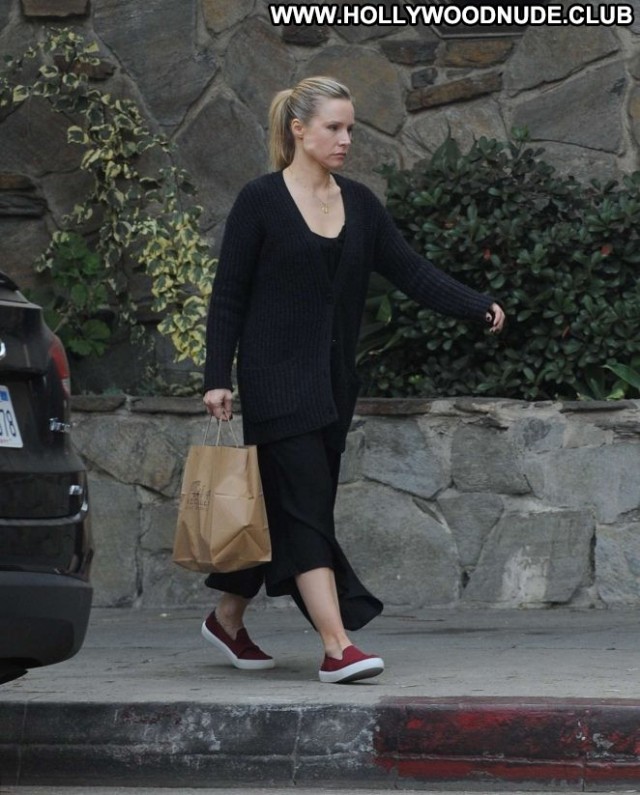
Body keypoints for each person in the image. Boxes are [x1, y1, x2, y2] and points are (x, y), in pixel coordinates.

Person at [201, 76, 505, 685]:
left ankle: (226, 619)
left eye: (350, 129)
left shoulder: (360, 204)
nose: (345, 139)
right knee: (307, 504)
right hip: (274, 380)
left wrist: (476, 305)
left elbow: (409, 270)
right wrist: (217, 377)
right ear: (299, 130)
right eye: (334, 127)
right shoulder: (260, 200)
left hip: (333, 383)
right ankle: (337, 646)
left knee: (292, 505)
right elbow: (228, 294)